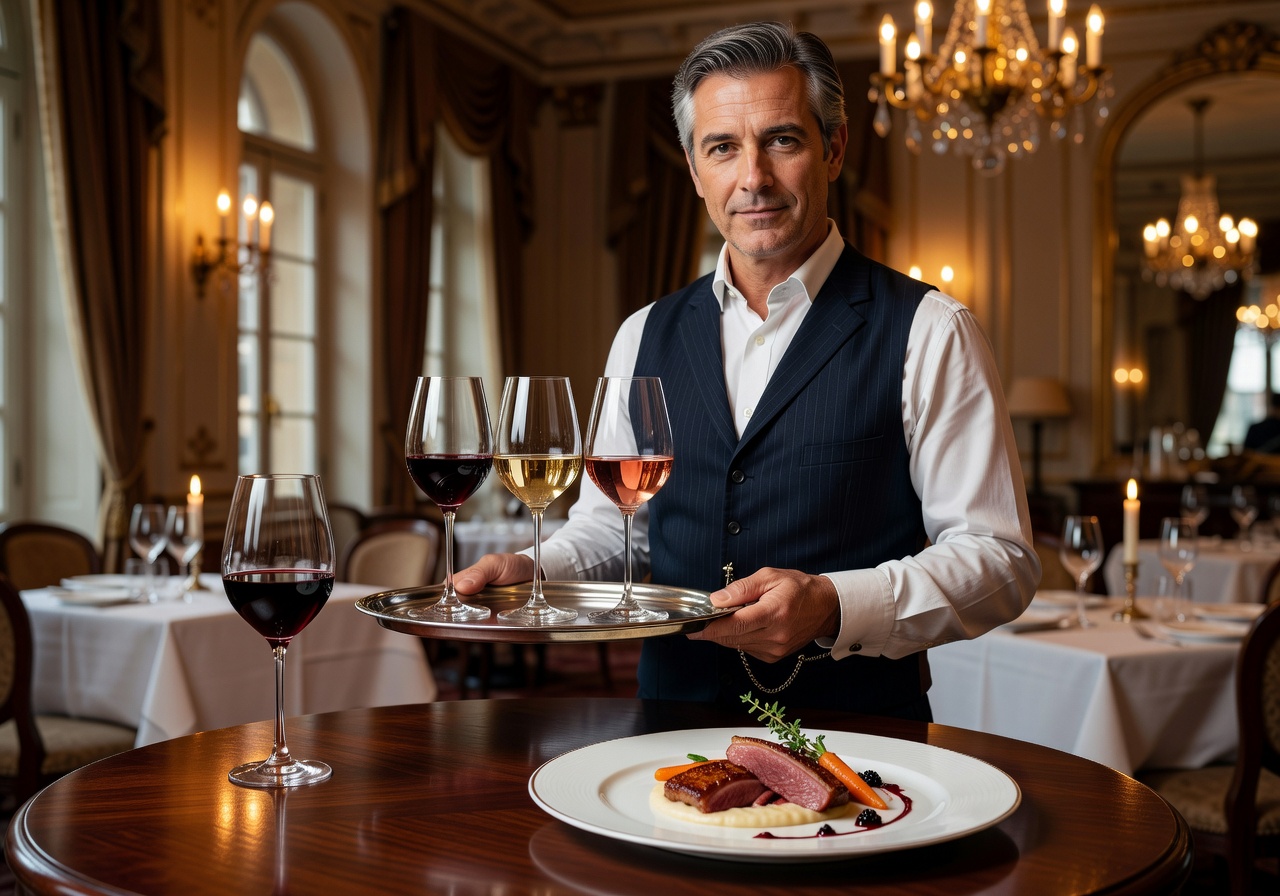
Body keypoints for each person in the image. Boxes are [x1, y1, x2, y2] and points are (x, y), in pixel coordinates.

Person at [455, 21, 1038, 719]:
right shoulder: (642, 334)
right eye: (723, 148)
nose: (753, 178)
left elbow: (999, 559)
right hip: (668, 725)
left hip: (861, 735)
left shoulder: (931, 328)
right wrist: (533, 571)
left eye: (783, 140)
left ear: (835, 150)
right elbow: (616, 531)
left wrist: (833, 605)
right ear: (696, 170)